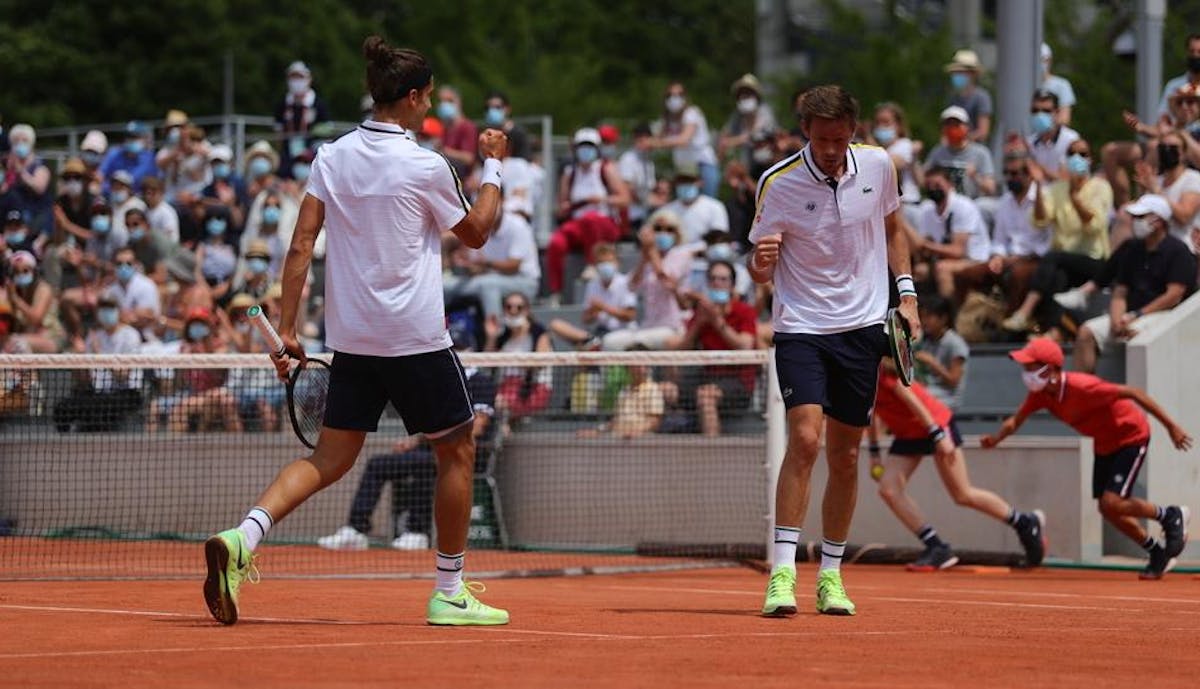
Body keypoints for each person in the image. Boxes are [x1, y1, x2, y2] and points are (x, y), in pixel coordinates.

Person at [202, 37, 509, 627]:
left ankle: (243, 536)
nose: (431, 110)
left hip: (352, 339)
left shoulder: (330, 156)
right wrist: (494, 165)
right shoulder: (426, 164)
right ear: (415, 97)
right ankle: (449, 591)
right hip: (416, 338)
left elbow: (299, 246)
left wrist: (288, 329)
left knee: (329, 457)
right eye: (428, 100)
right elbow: (476, 233)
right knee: (458, 448)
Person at [748, 84, 919, 617]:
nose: (829, 148)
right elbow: (760, 265)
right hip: (801, 326)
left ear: (853, 132)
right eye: (821, 139)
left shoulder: (878, 166)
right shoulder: (776, 183)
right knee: (804, 439)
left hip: (863, 326)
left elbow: (893, 229)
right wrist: (762, 261)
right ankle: (781, 574)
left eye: (839, 138)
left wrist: (907, 294)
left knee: (845, 456)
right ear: (806, 132)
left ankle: (831, 576)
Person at [982, 338, 1193, 579]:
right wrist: (996, 439)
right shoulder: (1042, 395)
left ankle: (1170, 515)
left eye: (1030, 367)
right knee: (1108, 509)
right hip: (1104, 444)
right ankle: (1156, 552)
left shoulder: (1083, 387)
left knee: (1112, 502)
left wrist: (1171, 427)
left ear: (1049, 369)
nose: (1025, 374)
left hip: (1130, 435)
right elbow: (1015, 420)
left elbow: (1134, 393)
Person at [317, 320, 496, 552]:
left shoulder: (480, 381)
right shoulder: (440, 377)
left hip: (468, 452)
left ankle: (417, 531)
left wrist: (424, 439)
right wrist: (415, 441)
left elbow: (478, 426)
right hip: (430, 448)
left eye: (462, 348)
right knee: (378, 464)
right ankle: (356, 529)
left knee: (424, 465)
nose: (458, 352)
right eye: (456, 346)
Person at [869, 360, 1045, 571]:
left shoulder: (883, 374)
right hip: (907, 433)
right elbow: (869, 412)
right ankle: (936, 547)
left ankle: (1024, 522)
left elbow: (914, 402)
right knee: (888, 490)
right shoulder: (855, 377)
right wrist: (874, 452)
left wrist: (939, 436)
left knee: (963, 494)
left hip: (935, 424)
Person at [1072, 194, 1196, 373]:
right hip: (1129, 316)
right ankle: (1085, 393)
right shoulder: (1132, 249)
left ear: (1158, 221)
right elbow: (1120, 291)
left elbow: (1173, 296)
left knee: (1136, 333)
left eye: (1140, 217)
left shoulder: (1178, 251)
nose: (1135, 221)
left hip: (1164, 317)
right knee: (1086, 332)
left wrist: (1137, 315)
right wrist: (1117, 320)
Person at [945, 49, 992, 144]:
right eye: (955, 72)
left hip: (975, 151)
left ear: (972, 74)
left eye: (960, 72)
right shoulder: (953, 98)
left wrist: (961, 139)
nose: (956, 75)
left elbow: (983, 132)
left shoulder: (981, 97)